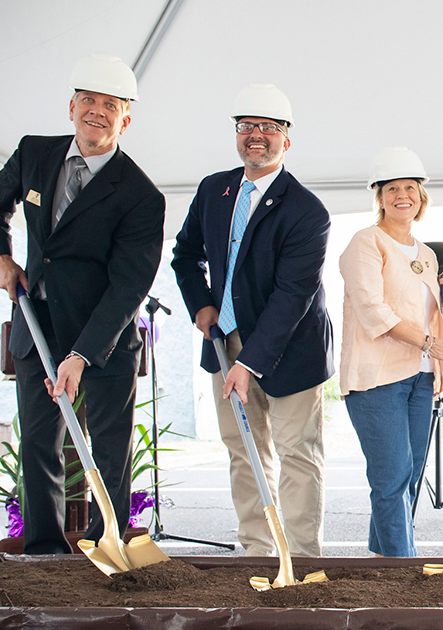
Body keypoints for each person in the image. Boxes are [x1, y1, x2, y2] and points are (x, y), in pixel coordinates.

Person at [0, 54, 165, 553]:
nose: (97, 111)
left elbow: (127, 287)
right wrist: (4, 257)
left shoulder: (140, 195)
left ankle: (105, 543)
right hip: (37, 320)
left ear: (125, 119)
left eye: (110, 105)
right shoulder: (34, 153)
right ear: (71, 107)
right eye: (88, 100)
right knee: (37, 441)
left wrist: (81, 354)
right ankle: (45, 549)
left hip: (105, 334)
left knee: (110, 448)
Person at [172, 84, 334, 557]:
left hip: (290, 350)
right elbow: (185, 256)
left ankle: (302, 559)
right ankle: (257, 551)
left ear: (287, 139)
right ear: (237, 135)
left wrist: (250, 362)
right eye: (247, 127)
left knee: (296, 454)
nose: (256, 135)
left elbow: (292, 296)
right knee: (243, 451)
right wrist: (201, 304)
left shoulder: (307, 211)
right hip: (227, 342)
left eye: (268, 127)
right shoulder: (213, 191)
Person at [338, 147, 443, 557]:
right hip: (377, 378)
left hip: (420, 378)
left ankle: (383, 564)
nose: (402, 195)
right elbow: (374, 311)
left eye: (410, 187)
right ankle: (403, 571)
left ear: (421, 196)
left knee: (407, 478)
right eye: (392, 188)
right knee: (392, 476)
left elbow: (428, 317)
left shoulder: (426, 254)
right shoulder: (366, 243)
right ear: (380, 197)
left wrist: (436, 361)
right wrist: (431, 344)